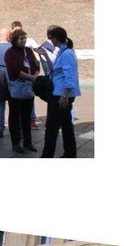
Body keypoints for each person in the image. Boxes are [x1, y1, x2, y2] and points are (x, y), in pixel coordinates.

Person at [41, 26, 79, 157]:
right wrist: (45, 55)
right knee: (66, 126)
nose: (50, 41)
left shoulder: (67, 53)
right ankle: (70, 153)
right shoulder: (63, 52)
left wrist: (65, 96)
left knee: (51, 128)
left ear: (55, 38)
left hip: (60, 95)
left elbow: (70, 76)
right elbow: (56, 71)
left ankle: (47, 155)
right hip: (61, 93)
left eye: (50, 38)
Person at [4, 28, 39, 155]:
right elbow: (14, 70)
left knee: (27, 116)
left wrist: (35, 74)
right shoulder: (10, 53)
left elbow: (36, 64)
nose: (24, 40)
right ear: (15, 39)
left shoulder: (29, 51)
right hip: (17, 89)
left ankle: (28, 142)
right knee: (14, 117)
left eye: (25, 38)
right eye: (21, 38)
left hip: (29, 88)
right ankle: (16, 143)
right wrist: (31, 77)